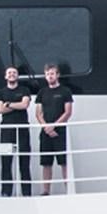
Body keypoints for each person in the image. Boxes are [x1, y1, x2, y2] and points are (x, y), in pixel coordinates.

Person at [35, 63, 74, 196]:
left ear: (57, 75)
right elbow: (38, 113)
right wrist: (46, 127)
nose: (50, 76)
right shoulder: (42, 92)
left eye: (52, 73)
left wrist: (54, 126)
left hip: (60, 132)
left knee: (64, 162)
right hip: (45, 132)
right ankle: (46, 191)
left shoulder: (65, 91)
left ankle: (68, 189)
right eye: (47, 74)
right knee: (46, 163)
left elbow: (67, 112)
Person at [0, 65, 33, 196]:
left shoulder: (25, 90)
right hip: (7, 130)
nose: (12, 74)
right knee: (6, 162)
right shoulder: (1, 92)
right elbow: (0, 110)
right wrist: (15, 105)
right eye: (9, 73)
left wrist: (8, 104)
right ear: (6, 76)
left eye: (14, 73)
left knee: (24, 162)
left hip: (22, 128)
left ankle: (26, 193)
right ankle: (6, 192)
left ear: (17, 76)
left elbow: (25, 105)